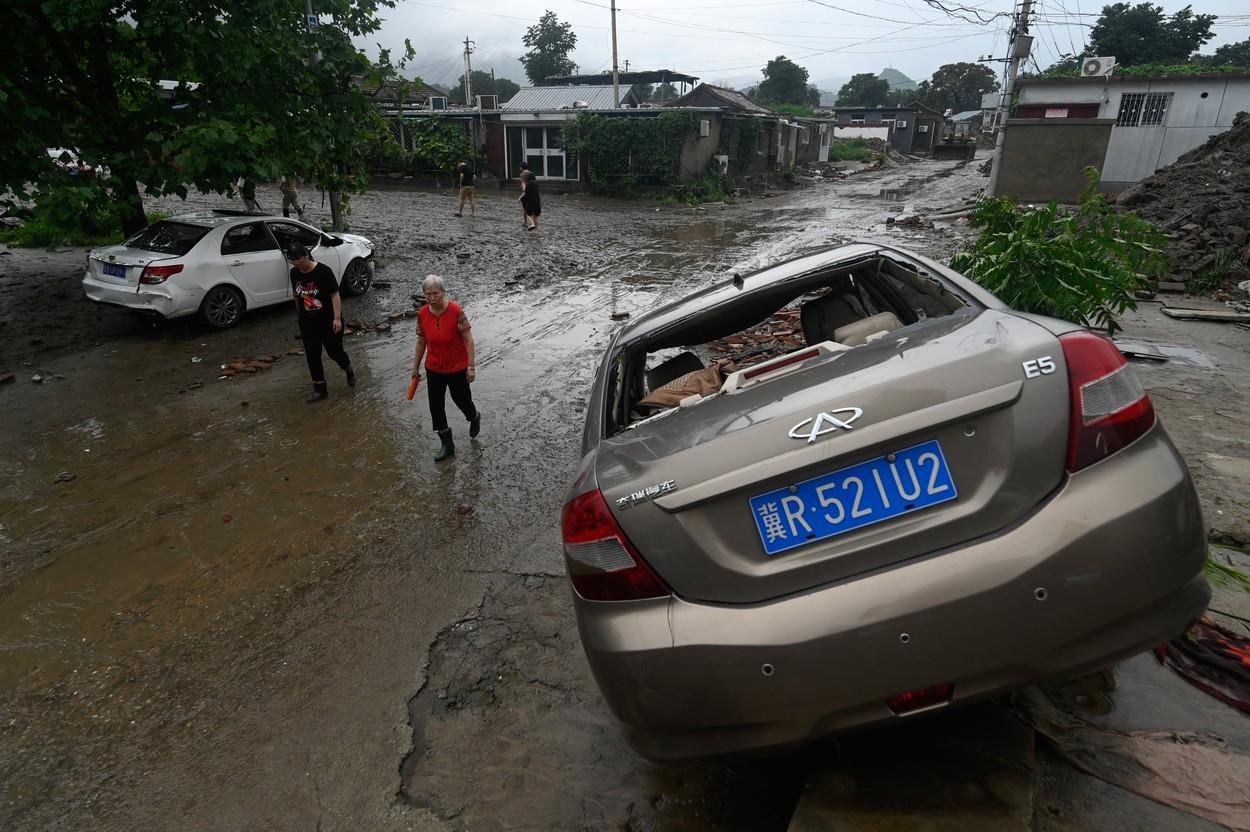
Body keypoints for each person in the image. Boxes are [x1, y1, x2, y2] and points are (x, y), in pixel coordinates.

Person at [411, 275, 480, 462]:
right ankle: (447, 445)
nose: (432, 297)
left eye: (435, 293)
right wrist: (415, 367)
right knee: (435, 405)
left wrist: (471, 366)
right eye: (428, 294)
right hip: (434, 367)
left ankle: (473, 416)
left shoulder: (456, 311)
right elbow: (421, 341)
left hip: (457, 367)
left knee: (461, 399)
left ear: (443, 292)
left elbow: (468, 339)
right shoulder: (423, 314)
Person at [288, 244, 355, 403]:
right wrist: (300, 317)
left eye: (298, 259)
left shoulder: (323, 271)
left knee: (334, 352)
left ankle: (348, 368)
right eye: (292, 260)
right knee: (312, 355)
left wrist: (337, 318)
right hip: (308, 322)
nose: (296, 263)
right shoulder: (294, 273)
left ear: (306, 256)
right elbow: (297, 295)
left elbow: (335, 295)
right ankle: (320, 388)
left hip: (328, 320)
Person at [518, 163, 541, 231]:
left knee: (526, 210)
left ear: (522, 167)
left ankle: (528, 223)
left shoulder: (522, 174)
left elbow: (523, 184)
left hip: (527, 195)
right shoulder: (534, 178)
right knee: (535, 215)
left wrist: (521, 196)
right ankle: (536, 230)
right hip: (536, 199)